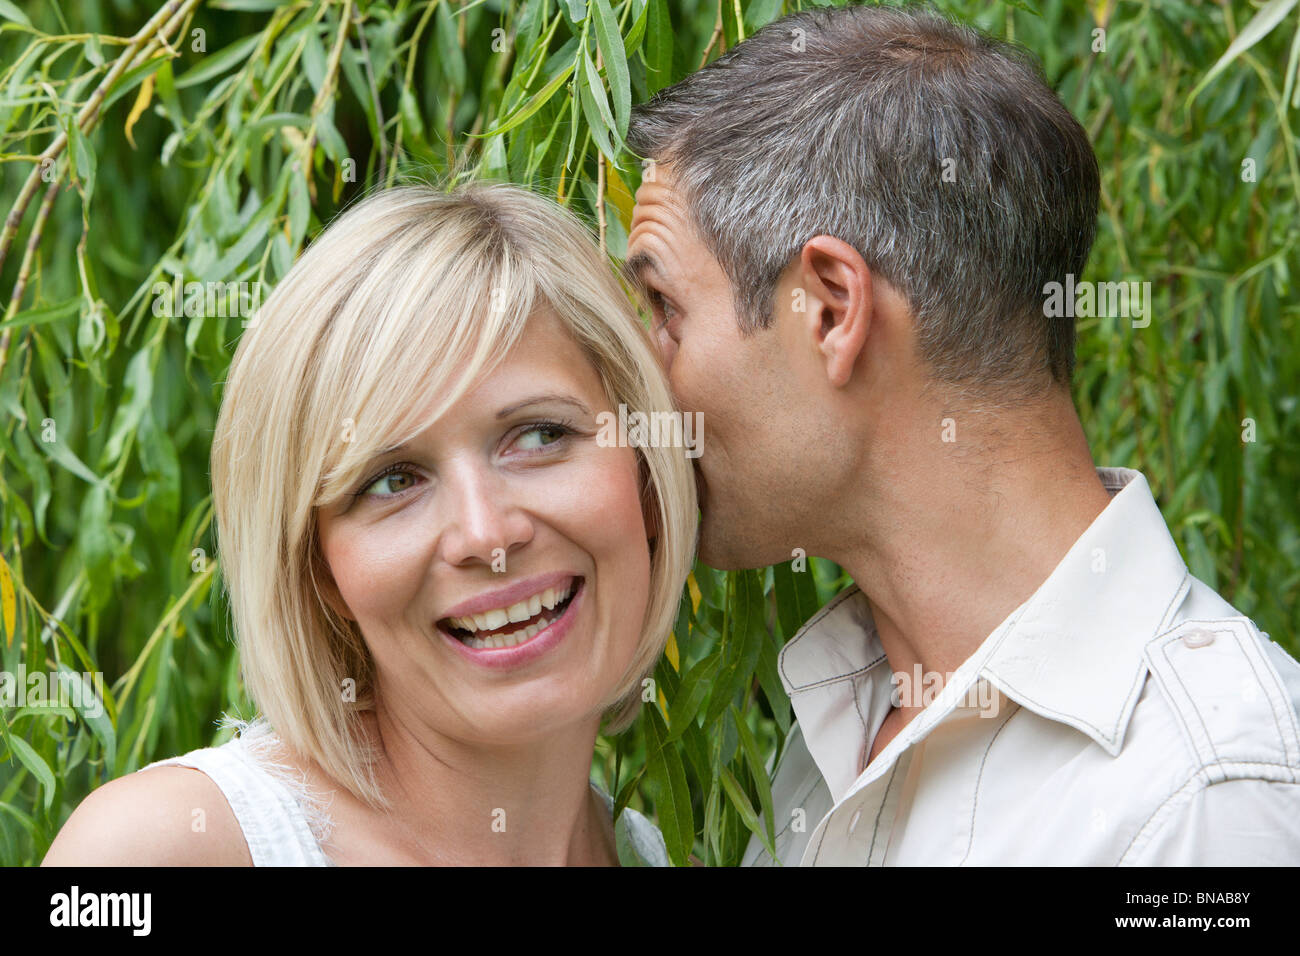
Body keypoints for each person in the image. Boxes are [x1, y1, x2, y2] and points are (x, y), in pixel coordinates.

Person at [622, 4, 1300, 865]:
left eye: (665, 311)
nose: (640, 378)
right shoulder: (847, 722)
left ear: (829, 309)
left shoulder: (1205, 806)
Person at [43, 180, 698, 866]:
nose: (486, 534)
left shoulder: (657, 854)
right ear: (320, 572)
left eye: (538, 436)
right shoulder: (164, 848)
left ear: (647, 475)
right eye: (392, 481)